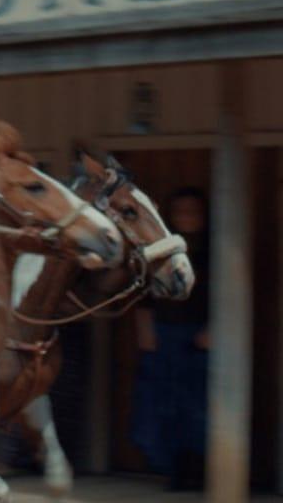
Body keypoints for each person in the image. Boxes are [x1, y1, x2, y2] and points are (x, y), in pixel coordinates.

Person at [132, 187, 211, 490]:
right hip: (163, 335)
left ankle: (200, 470)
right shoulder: (162, 250)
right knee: (161, 405)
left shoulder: (213, 250)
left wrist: (213, 331)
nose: (187, 217)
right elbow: (144, 296)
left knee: (198, 407)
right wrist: (146, 333)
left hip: (199, 337)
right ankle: (173, 470)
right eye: (181, 211)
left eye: (193, 211)